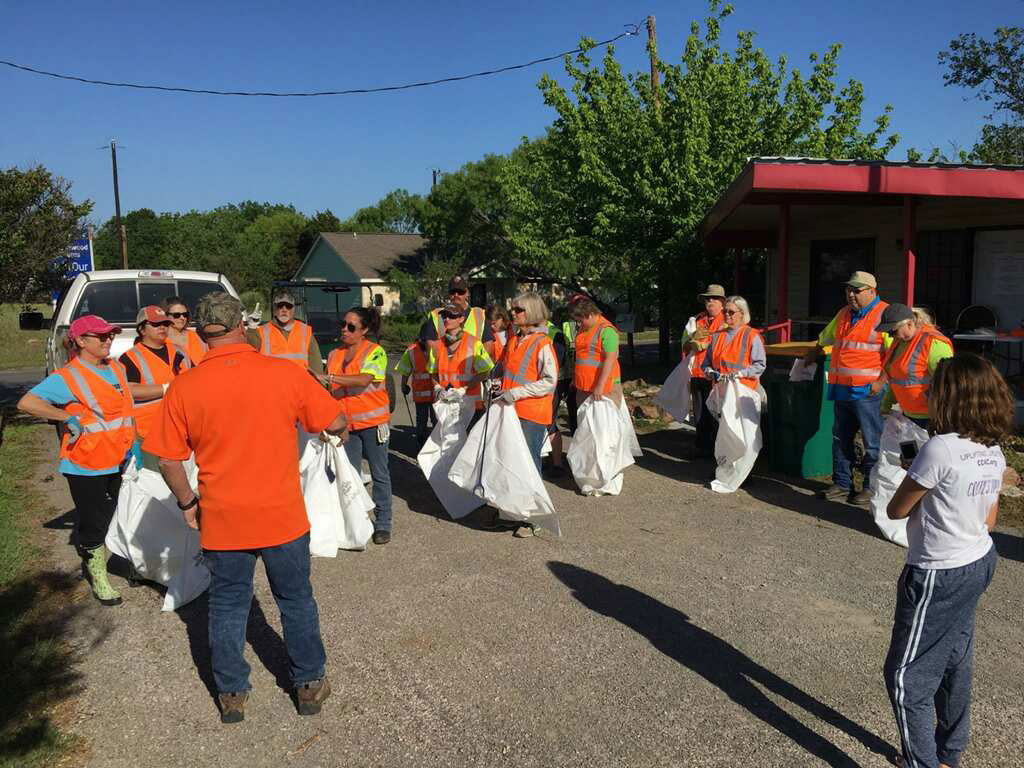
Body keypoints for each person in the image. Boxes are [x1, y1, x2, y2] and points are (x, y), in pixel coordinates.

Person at [143, 292, 346, 723]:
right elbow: (335, 421)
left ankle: (232, 692)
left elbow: (168, 460)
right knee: (295, 599)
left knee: (227, 605)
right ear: (242, 325)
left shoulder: (185, 386)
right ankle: (309, 683)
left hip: (223, 518)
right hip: (281, 515)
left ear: (201, 333)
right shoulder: (285, 373)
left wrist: (188, 503)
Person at [883, 353, 1013, 768]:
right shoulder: (993, 451)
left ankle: (922, 762)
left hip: (937, 572)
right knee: (954, 659)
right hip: (979, 559)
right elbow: (989, 520)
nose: (928, 394)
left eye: (934, 389)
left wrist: (915, 474)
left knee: (906, 678)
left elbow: (896, 510)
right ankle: (948, 752)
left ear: (951, 397)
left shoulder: (938, 448)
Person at [17, 315, 135, 606]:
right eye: (101, 336)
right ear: (81, 341)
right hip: (86, 463)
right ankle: (97, 573)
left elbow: (123, 411)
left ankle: (134, 563)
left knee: (127, 513)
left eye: (110, 335)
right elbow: (27, 402)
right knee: (95, 521)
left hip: (120, 458)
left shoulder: (116, 368)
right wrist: (64, 417)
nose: (108, 340)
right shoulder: (68, 376)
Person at [803, 271, 890, 508]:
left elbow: (894, 354)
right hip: (842, 389)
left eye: (856, 290)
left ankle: (871, 487)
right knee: (840, 438)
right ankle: (842, 484)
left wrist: (881, 381)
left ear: (872, 291)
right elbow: (826, 337)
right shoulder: (843, 313)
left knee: (873, 442)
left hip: (868, 392)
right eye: (849, 290)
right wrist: (816, 349)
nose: (851, 294)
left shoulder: (884, 314)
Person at [326, 307, 393, 545]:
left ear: (364, 330)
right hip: (346, 427)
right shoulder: (334, 354)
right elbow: (329, 392)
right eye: (343, 324)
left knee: (379, 474)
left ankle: (383, 523)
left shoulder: (375, 352)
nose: (344, 329)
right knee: (351, 476)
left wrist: (329, 378)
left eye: (351, 326)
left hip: (373, 424)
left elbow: (364, 380)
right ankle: (358, 522)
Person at [495, 292, 558, 538]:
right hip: (510, 410)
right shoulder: (514, 340)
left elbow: (549, 381)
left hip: (531, 413)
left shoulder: (542, 343)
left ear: (531, 311)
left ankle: (533, 519)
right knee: (510, 463)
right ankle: (511, 514)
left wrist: (516, 393)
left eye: (519, 309)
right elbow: (507, 371)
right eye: (513, 309)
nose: (513, 313)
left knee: (529, 465)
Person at [119, 306, 186, 454]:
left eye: (165, 323)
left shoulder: (180, 351)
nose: (162, 327)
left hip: (182, 428)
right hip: (150, 432)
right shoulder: (130, 357)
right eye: (156, 324)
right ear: (142, 330)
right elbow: (130, 390)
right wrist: (168, 388)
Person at [873, 305, 953, 427]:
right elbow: (897, 378)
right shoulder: (899, 342)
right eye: (888, 332)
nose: (890, 336)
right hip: (908, 416)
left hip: (931, 418)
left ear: (909, 324)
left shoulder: (933, 342)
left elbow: (948, 384)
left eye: (893, 331)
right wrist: (886, 405)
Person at [682, 284, 727, 457]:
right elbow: (684, 345)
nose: (710, 301)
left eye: (714, 298)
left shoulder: (727, 321)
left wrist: (706, 344)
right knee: (700, 413)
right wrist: (691, 341)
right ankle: (702, 448)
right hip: (697, 373)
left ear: (722, 303)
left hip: (717, 375)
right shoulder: (696, 320)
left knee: (718, 413)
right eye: (707, 299)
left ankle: (719, 451)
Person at [429, 303, 494, 418]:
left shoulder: (474, 343)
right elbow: (432, 371)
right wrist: (437, 387)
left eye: (451, 316)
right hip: (445, 405)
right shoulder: (437, 345)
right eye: (444, 316)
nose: (447, 319)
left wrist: (464, 389)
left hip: (469, 404)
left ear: (461, 319)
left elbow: (485, 371)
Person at [249, 289, 325, 380]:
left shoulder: (305, 331)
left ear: (293, 309)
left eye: (288, 306)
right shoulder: (261, 331)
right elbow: (249, 355)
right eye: (280, 306)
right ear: (275, 308)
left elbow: (316, 366)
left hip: (299, 384)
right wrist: (251, 328)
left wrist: (318, 384)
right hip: (272, 384)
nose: (284, 310)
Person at [701, 296, 766, 388]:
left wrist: (741, 374)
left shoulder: (751, 335)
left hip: (743, 390)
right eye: (724, 311)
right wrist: (709, 372)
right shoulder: (716, 336)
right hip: (720, 390)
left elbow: (760, 365)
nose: (727, 314)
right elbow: (706, 364)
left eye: (731, 312)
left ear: (742, 314)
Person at [421, 275, 493, 355]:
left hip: (472, 362)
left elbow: (488, 346)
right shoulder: (436, 315)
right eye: (452, 292)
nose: (456, 295)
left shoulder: (479, 315)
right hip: (443, 362)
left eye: (460, 292)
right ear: (448, 294)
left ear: (467, 293)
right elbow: (430, 345)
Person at [571, 298, 621, 406]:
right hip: (584, 386)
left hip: (604, 388)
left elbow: (610, 359)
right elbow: (581, 357)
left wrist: (600, 385)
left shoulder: (607, 331)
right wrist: (575, 378)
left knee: (604, 417)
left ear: (590, 315)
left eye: (580, 320)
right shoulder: (583, 329)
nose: (578, 324)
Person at [544, 310, 572, 478]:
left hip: (556, 383)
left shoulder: (554, 333)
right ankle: (550, 459)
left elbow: (557, 362)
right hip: (544, 383)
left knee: (549, 422)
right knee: (545, 422)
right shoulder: (531, 332)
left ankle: (557, 464)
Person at [395, 337, 435, 447]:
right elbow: (405, 370)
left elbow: (405, 371)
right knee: (428, 421)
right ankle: (423, 444)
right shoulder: (412, 351)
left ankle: (426, 444)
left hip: (432, 393)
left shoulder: (413, 350)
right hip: (427, 394)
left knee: (430, 421)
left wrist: (403, 386)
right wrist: (403, 386)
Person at [162, 295, 207, 365]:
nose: (182, 318)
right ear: (165, 316)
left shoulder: (197, 335)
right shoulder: (161, 340)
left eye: (185, 314)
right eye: (176, 315)